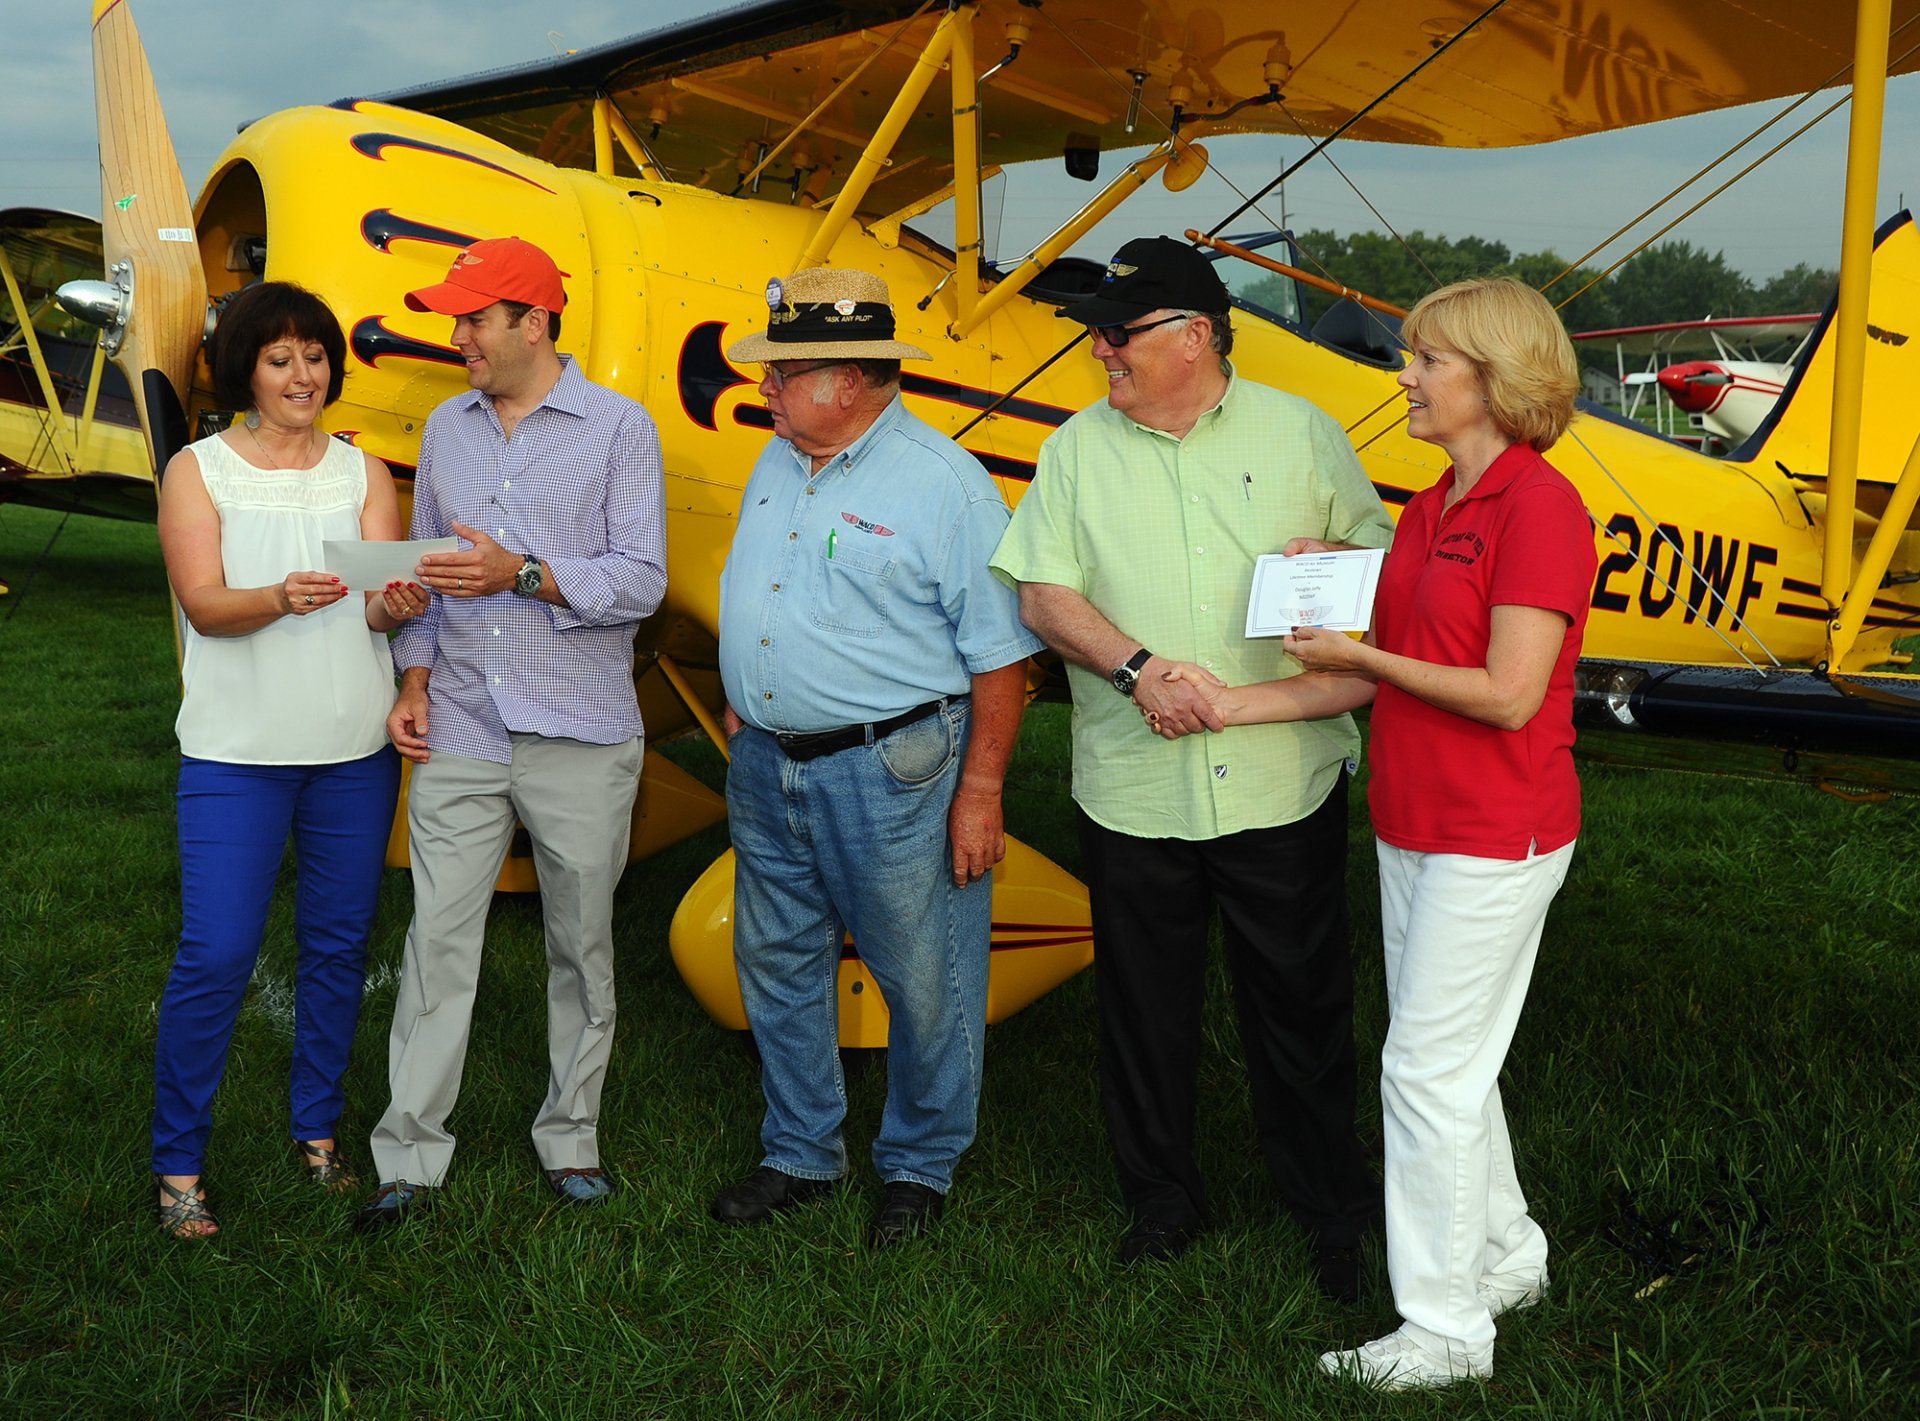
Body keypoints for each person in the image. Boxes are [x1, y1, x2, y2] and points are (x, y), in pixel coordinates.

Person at [1160, 276, 1594, 1390]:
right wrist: (1287, 643)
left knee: (1423, 1074)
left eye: (1426, 359)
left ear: (1495, 380)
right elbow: (1385, 668)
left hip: (1497, 833)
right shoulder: (1434, 503)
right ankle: (1506, 1256)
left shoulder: (1539, 506)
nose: (1403, 374)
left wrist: (1359, 655)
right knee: (1457, 1065)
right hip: (1414, 822)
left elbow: (1505, 693)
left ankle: (1445, 1330)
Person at [989, 236, 1392, 1293]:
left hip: (1278, 776)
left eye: (1119, 334)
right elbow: (1042, 591)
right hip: (1134, 785)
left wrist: (1342, 570)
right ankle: (1161, 1205)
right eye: (1096, 334)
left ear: (1196, 336)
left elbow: (1379, 558)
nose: (1100, 352)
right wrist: (1137, 670)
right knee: (1143, 1012)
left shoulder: (1302, 432)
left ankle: (1331, 1212)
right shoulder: (1077, 447)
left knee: (1302, 1009)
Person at [709, 267, 1042, 1247]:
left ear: (852, 379)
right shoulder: (778, 459)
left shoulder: (945, 485)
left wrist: (980, 788)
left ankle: (920, 1161)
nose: (764, 387)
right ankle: (802, 1149)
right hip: (768, 761)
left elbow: (1001, 654)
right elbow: (769, 584)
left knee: (922, 969)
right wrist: (750, 686)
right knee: (775, 957)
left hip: (893, 766)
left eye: (784, 371)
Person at [353, 236, 667, 1230]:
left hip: (580, 730)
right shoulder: (446, 427)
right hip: (461, 721)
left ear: (533, 322)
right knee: (436, 940)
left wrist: (521, 572)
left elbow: (640, 580)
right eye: (456, 320)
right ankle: (407, 1155)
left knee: (581, 942)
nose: (457, 338)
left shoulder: (620, 428)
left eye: (475, 319)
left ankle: (571, 1138)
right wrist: (412, 668)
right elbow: (436, 577)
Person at [152, 280, 422, 1238]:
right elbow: (205, 606)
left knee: (338, 947)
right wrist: (279, 595)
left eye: (315, 355)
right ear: (246, 371)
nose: (301, 374)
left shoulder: (363, 474)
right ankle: (179, 1162)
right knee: (218, 951)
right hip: (236, 753)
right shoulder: (200, 469)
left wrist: (403, 600)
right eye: (280, 358)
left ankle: (317, 1132)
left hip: (352, 750)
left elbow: (383, 602)